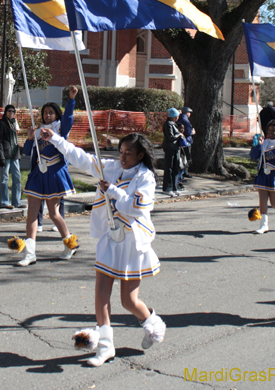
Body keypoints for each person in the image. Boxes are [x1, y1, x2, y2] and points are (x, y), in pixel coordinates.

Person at [42, 128, 164, 367]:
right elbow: (82, 159)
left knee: (128, 301)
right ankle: (106, 348)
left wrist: (112, 190)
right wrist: (54, 139)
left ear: (140, 155)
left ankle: (153, 323)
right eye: (121, 151)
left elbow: (136, 208)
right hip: (110, 238)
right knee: (101, 294)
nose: (123, 157)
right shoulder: (113, 168)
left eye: (129, 153)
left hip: (132, 242)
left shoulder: (145, 177)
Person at [15, 86, 80, 266]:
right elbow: (28, 152)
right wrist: (29, 138)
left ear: (56, 115)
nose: (48, 115)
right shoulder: (38, 130)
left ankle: (70, 244)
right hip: (37, 175)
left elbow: (67, 118)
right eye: (45, 113)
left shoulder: (59, 128)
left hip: (54, 174)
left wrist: (71, 100)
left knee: (54, 213)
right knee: (32, 214)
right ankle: (30, 254)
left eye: (51, 112)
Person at [248, 119, 275, 234]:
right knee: (262, 200)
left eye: (273, 130)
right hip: (263, 175)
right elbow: (253, 156)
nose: (271, 132)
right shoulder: (264, 143)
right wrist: (259, 145)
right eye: (269, 130)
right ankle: (264, 225)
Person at [0, 104, 22, 209]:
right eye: (9, 111)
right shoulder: (1, 123)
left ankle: (16, 201)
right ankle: (4, 202)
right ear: (5, 112)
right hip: (5, 155)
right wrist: (1, 156)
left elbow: (16, 139)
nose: (11, 113)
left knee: (17, 178)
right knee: (4, 179)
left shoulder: (14, 123)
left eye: (13, 111)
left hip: (15, 154)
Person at [161, 108, 185, 197]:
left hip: (175, 148)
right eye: (177, 115)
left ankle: (175, 187)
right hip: (170, 148)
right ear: (173, 116)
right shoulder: (168, 124)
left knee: (176, 167)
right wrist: (179, 134)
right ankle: (167, 188)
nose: (178, 117)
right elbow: (171, 137)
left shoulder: (173, 123)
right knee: (169, 168)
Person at [177, 106, 195, 186]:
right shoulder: (185, 120)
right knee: (185, 158)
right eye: (189, 112)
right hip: (186, 141)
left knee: (182, 158)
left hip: (181, 141)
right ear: (187, 113)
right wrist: (193, 132)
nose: (190, 114)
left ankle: (184, 172)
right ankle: (183, 174)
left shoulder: (179, 118)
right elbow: (188, 131)